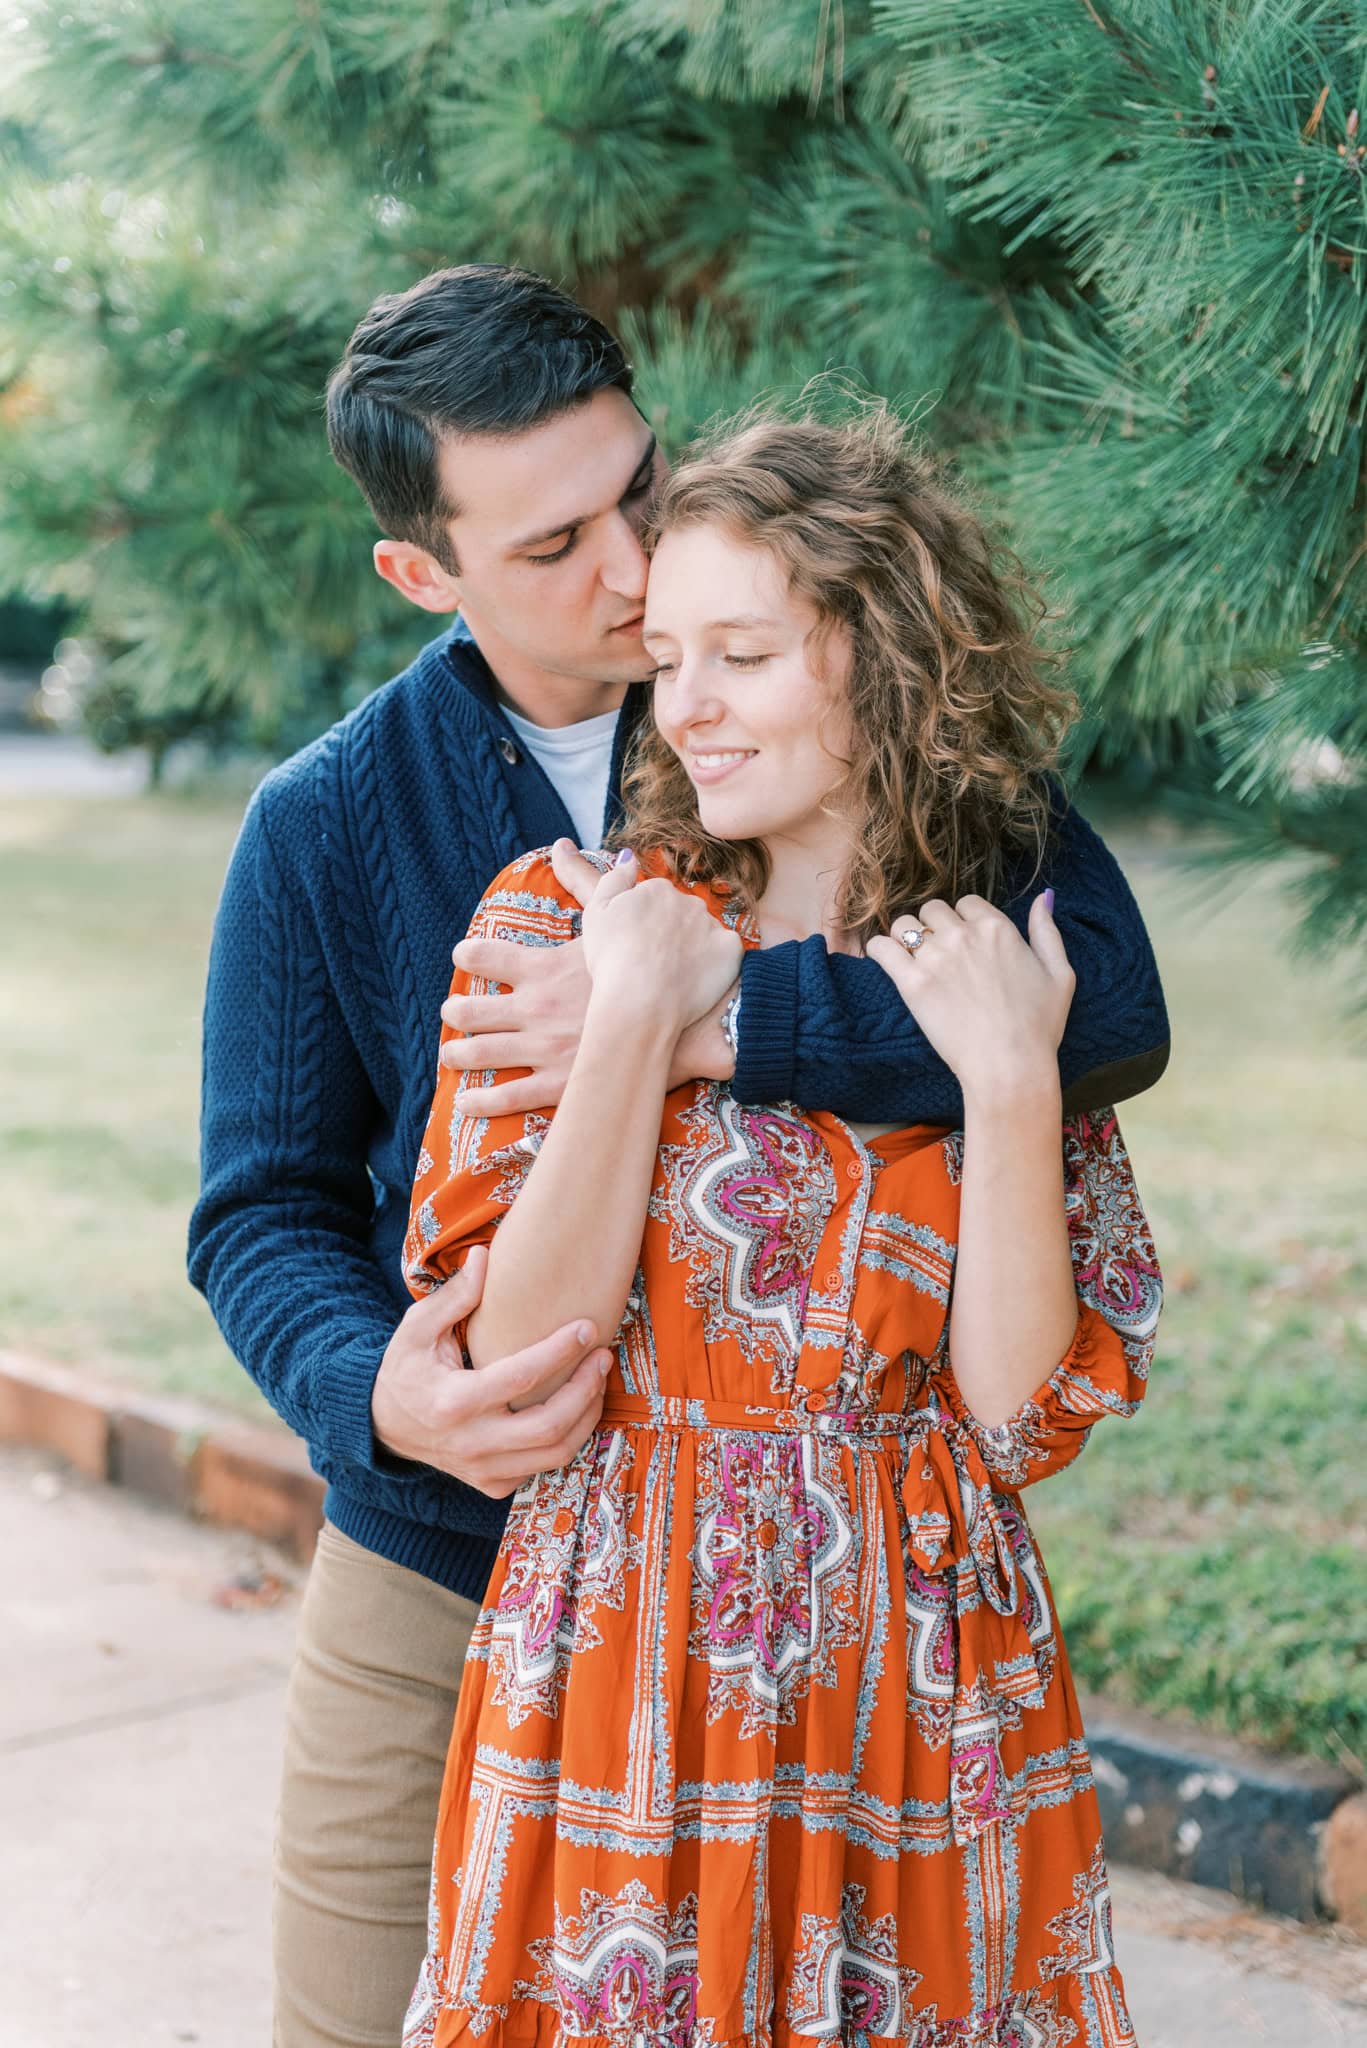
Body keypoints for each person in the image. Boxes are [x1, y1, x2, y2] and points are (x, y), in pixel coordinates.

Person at [188, 265, 1168, 2047]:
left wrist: (716, 1023)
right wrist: (377, 1402)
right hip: (452, 1538)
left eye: (638, 488)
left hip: (826, 1592)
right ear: (428, 571)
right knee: (347, 2016)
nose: (635, 571)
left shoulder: (792, 686)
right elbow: (258, 1207)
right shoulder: (331, 820)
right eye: (558, 542)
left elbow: (1097, 1012)